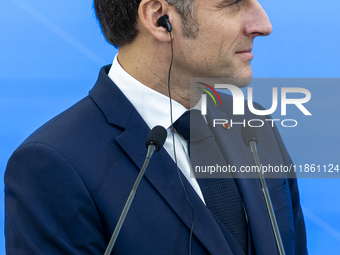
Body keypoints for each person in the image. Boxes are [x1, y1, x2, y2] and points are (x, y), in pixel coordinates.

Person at [5, 0, 307, 254]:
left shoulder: (253, 122)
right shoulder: (51, 165)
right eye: (232, 3)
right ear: (159, 18)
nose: (263, 24)